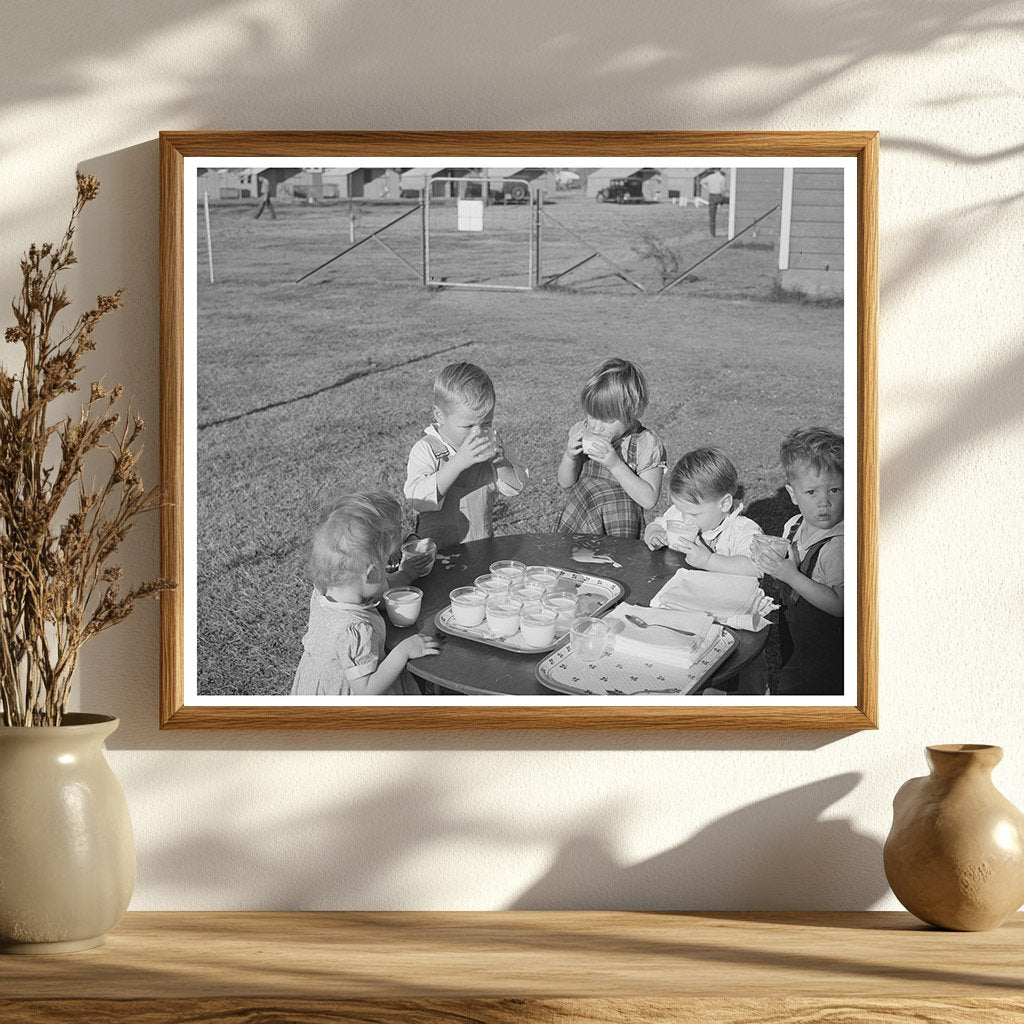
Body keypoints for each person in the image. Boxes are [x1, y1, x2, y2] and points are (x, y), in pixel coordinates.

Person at [291, 492, 440, 697]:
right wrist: (403, 651)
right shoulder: (356, 629)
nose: (387, 569)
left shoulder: (324, 594)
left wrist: (406, 574)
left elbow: (380, 592)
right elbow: (367, 690)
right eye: (384, 564)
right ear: (370, 573)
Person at [754, 428, 844, 696]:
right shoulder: (795, 526)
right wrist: (772, 554)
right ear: (793, 495)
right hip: (797, 641)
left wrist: (791, 575)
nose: (824, 502)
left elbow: (841, 606)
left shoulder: (839, 544)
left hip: (831, 655)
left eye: (835, 489)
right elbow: (790, 565)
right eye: (811, 492)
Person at [404, 362, 528, 550]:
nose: (477, 433)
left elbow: (516, 487)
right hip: (434, 554)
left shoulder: (491, 446)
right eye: (469, 426)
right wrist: (458, 462)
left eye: (486, 423)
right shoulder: (427, 449)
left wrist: (500, 463)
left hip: (480, 548)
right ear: (439, 416)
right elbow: (418, 500)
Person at [557, 357, 666, 538]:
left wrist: (615, 464)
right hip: (582, 519)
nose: (597, 427)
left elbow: (649, 499)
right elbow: (565, 482)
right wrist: (570, 457)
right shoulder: (582, 430)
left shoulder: (644, 443)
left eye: (607, 420)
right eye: (592, 416)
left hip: (618, 527)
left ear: (633, 412)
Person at [643, 447, 762, 576]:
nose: (686, 519)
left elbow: (756, 567)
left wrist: (708, 561)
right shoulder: (682, 514)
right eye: (680, 510)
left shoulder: (741, 530)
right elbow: (656, 525)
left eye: (694, 514)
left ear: (724, 504)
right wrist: (655, 534)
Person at [704, 168, 728, 237]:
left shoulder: (709, 177)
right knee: (731, 201)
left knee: (712, 217)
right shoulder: (722, 178)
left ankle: (712, 234)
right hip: (719, 196)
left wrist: (708, 188)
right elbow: (723, 188)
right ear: (720, 170)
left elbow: (701, 182)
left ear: (714, 170)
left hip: (711, 196)